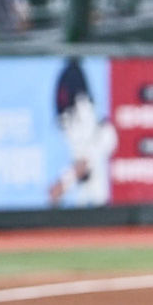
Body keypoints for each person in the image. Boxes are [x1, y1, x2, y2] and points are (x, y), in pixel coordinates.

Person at [48, 58, 118, 208]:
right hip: (78, 119)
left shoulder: (102, 139)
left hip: (80, 120)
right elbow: (82, 163)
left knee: (92, 186)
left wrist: (62, 185)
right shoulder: (85, 126)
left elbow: (83, 164)